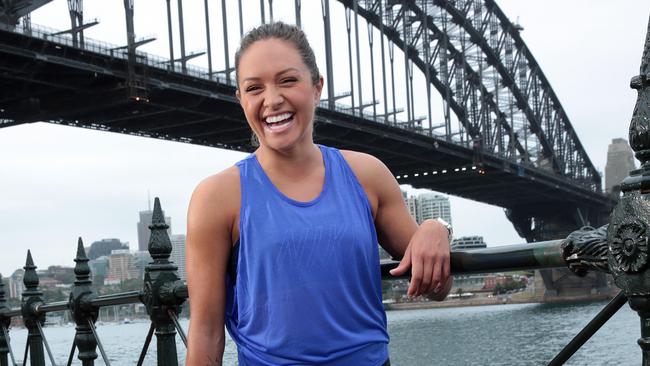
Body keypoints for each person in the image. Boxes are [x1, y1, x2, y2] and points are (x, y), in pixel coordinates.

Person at [185, 21, 452, 366]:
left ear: (316, 87)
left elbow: (438, 288)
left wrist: (436, 228)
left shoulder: (367, 175)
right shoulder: (216, 197)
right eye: (254, 88)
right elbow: (206, 333)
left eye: (288, 80)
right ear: (240, 99)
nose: (272, 99)